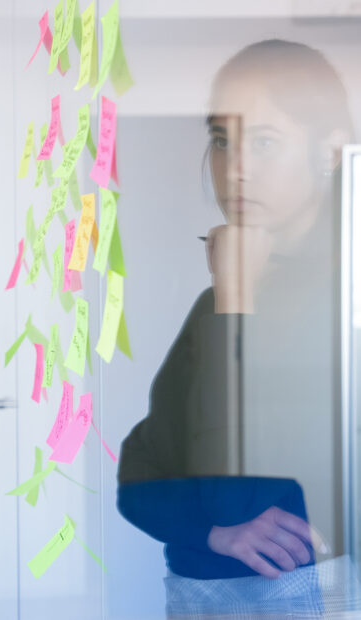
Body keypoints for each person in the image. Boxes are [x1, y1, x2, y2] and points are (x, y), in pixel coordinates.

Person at [117, 39, 360, 616]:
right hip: (203, 597)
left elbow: (234, 490)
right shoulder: (220, 302)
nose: (236, 169)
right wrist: (213, 533)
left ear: (328, 151)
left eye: (265, 141)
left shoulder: (342, 299)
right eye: (223, 140)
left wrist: (236, 301)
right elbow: (138, 477)